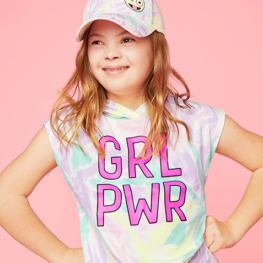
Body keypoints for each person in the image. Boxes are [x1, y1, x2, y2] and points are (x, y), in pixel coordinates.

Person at [0, 0, 263, 262]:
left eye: (127, 39)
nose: (110, 53)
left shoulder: (196, 120)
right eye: (97, 41)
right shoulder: (71, 128)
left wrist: (233, 228)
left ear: (155, 47)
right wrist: (61, 255)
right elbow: (6, 194)